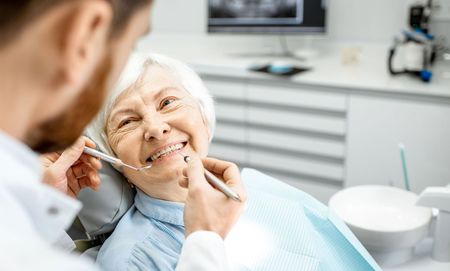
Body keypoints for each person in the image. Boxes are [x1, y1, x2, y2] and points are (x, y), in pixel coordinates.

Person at [0, 1, 246, 270]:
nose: (155, 128)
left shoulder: (254, 189)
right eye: (127, 121)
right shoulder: (130, 259)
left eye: (167, 103)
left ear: (203, 114)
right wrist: (206, 239)